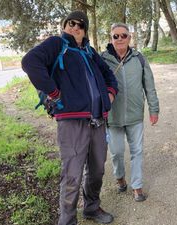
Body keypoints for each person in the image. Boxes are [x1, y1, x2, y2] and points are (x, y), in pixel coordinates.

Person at [22, 11, 118, 225]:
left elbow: (109, 74)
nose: (76, 28)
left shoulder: (90, 51)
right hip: (72, 122)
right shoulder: (57, 44)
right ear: (64, 26)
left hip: (98, 121)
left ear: (85, 31)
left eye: (81, 26)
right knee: (72, 174)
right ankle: (67, 220)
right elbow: (30, 62)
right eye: (71, 24)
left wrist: (110, 94)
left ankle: (92, 208)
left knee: (97, 170)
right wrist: (53, 92)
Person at [101, 23, 159, 201]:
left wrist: (154, 108)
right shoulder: (102, 60)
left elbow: (149, 86)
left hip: (135, 115)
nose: (119, 39)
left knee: (137, 151)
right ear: (110, 39)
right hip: (113, 116)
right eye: (115, 36)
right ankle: (120, 177)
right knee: (116, 152)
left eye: (123, 35)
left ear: (129, 38)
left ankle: (137, 186)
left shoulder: (139, 59)